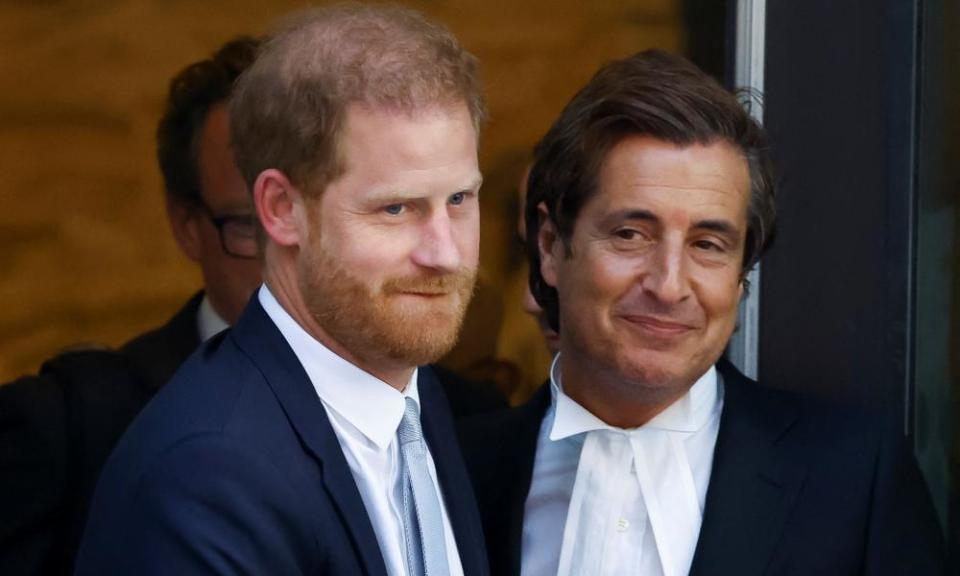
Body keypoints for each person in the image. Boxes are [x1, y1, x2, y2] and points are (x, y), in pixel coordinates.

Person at [459, 50, 945, 576]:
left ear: (741, 275)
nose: (669, 286)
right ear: (551, 246)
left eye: (709, 244)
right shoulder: (453, 472)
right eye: (630, 234)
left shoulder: (855, 480)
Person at [75, 5, 489, 575]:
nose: (445, 253)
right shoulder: (204, 475)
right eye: (396, 208)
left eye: (460, 201)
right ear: (280, 209)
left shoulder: (413, 399)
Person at [0, 36, 261, 576]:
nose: (299, 258)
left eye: (321, 221)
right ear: (188, 226)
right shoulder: (72, 428)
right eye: (251, 227)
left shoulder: (454, 419)